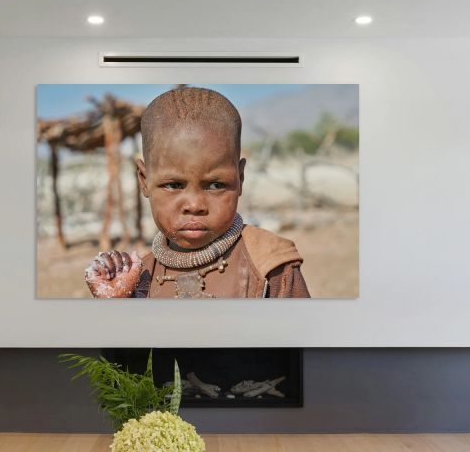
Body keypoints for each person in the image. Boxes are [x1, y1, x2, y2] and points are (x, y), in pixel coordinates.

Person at [85, 86, 309, 299]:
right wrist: (116, 306)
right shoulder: (138, 279)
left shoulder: (270, 265)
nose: (194, 205)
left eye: (215, 185)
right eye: (174, 185)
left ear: (240, 178)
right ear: (144, 180)